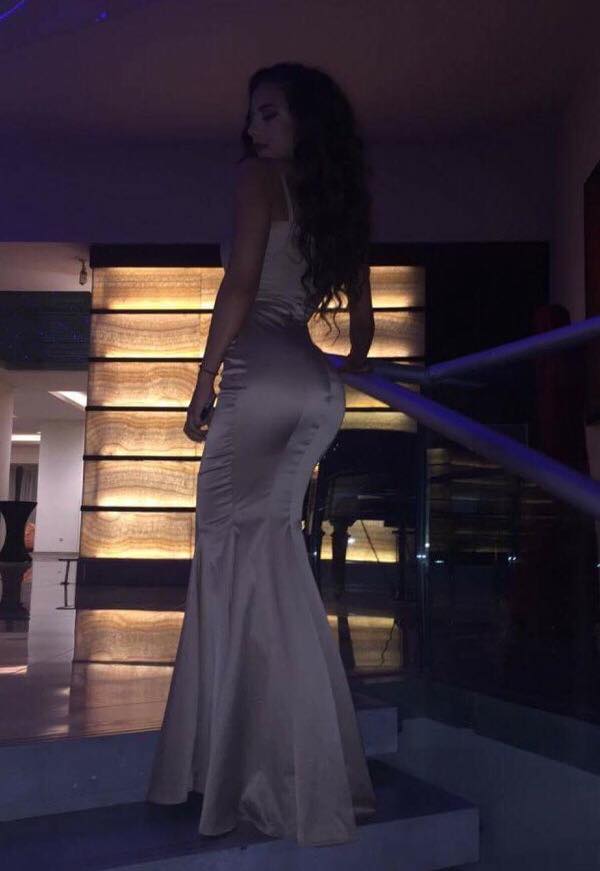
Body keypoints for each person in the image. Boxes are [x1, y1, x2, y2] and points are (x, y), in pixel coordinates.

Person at [146, 62, 376, 847]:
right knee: (275, 561)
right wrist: (336, 366)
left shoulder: (257, 180)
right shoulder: (339, 200)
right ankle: (301, 764)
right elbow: (364, 332)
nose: (253, 128)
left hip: (260, 375)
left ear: (303, 118)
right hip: (314, 381)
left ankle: (233, 766)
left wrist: (202, 379)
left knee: (225, 559)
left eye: (269, 113)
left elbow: (240, 284)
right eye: (251, 116)